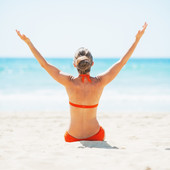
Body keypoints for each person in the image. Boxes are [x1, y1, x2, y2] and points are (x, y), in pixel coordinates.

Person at [16, 22, 148, 142]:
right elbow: (122, 62)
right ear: (92, 63)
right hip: (96, 135)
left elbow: (44, 64)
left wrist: (28, 43)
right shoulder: (100, 82)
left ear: (75, 64)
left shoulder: (69, 82)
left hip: (72, 137)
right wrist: (137, 39)